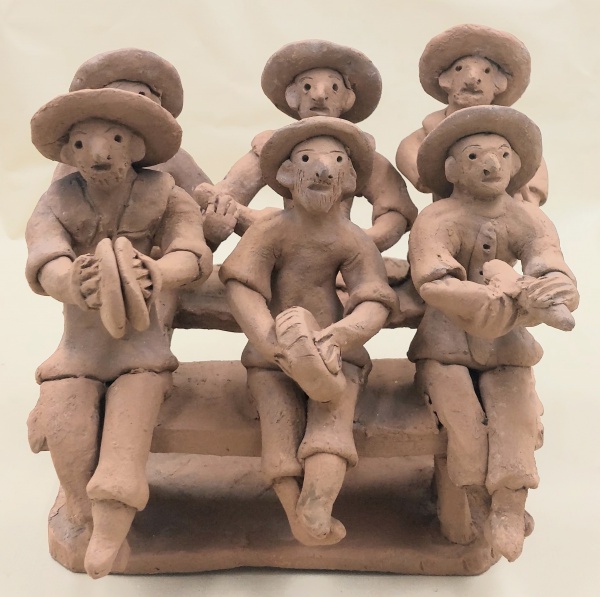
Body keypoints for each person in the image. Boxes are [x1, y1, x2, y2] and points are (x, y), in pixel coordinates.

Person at [25, 86, 212, 578]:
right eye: (82, 143)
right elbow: (44, 255)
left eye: (114, 139)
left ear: (137, 146)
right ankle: (81, 511)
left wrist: (158, 272)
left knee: (129, 426)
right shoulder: (57, 199)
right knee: (66, 422)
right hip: (78, 350)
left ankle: (110, 528)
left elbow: (192, 252)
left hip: (140, 350)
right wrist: (71, 280)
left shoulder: (165, 193)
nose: (99, 154)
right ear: (67, 154)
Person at [407, 105, 578, 561]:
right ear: (451, 170)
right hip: (445, 344)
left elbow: (550, 262)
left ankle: (509, 503)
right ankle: (480, 504)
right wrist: (497, 301)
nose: (491, 165)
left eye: (502, 155)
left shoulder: (528, 218)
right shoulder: (437, 218)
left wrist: (548, 289)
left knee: (516, 415)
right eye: (474, 156)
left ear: (516, 164)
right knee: (464, 425)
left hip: (508, 346)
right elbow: (433, 280)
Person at [220, 116, 397, 545]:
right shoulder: (270, 231)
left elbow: (373, 299)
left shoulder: (353, 240)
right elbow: (243, 287)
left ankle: (316, 507)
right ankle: (294, 512)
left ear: (349, 180)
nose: (322, 171)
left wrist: (341, 336)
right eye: (307, 160)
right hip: (272, 360)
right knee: (278, 427)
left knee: (332, 424)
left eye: (336, 161)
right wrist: (269, 341)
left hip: (336, 356)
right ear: (286, 174)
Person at [197, 40, 417, 252]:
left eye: (333, 87)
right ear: (293, 96)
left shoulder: (359, 153)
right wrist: (241, 222)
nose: (319, 96)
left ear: (347, 99)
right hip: (281, 257)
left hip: (342, 264)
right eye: (308, 86)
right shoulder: (272, 149)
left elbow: (393, 207)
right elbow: (225, 195)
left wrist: (358, 242)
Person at [48, 48, 229, 250]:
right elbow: (56, 219)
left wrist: (210, 233)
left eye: (143, 99)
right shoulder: (79, 160)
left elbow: (200, 218)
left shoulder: (175, 160)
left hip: (160, 261)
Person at [396, 24, 548, 205]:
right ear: (446, 80)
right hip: (452, 207)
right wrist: (424, 176)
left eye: (486, 71)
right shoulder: (433, 128)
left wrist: (532, 195)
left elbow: (532, 158)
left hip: (505, 208)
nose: (472, 79)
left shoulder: (509, 129)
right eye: (459, 69)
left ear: (499, 84)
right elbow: (408, 148)